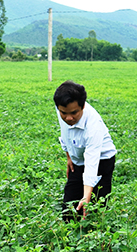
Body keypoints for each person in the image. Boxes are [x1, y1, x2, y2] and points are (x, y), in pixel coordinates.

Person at [54, 80, 117, 222]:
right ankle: (71, 239)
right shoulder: (62, 109)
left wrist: (86, 196)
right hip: (78, 159)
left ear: (83, 106)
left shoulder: (93, 126)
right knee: (69, 208)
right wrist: (69, 157)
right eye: (64, 113)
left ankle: (93, 237)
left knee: (95, 207)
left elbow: (92, 162)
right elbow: (65, 134)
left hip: (101, 160)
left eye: (74, 113)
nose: (68, 118)